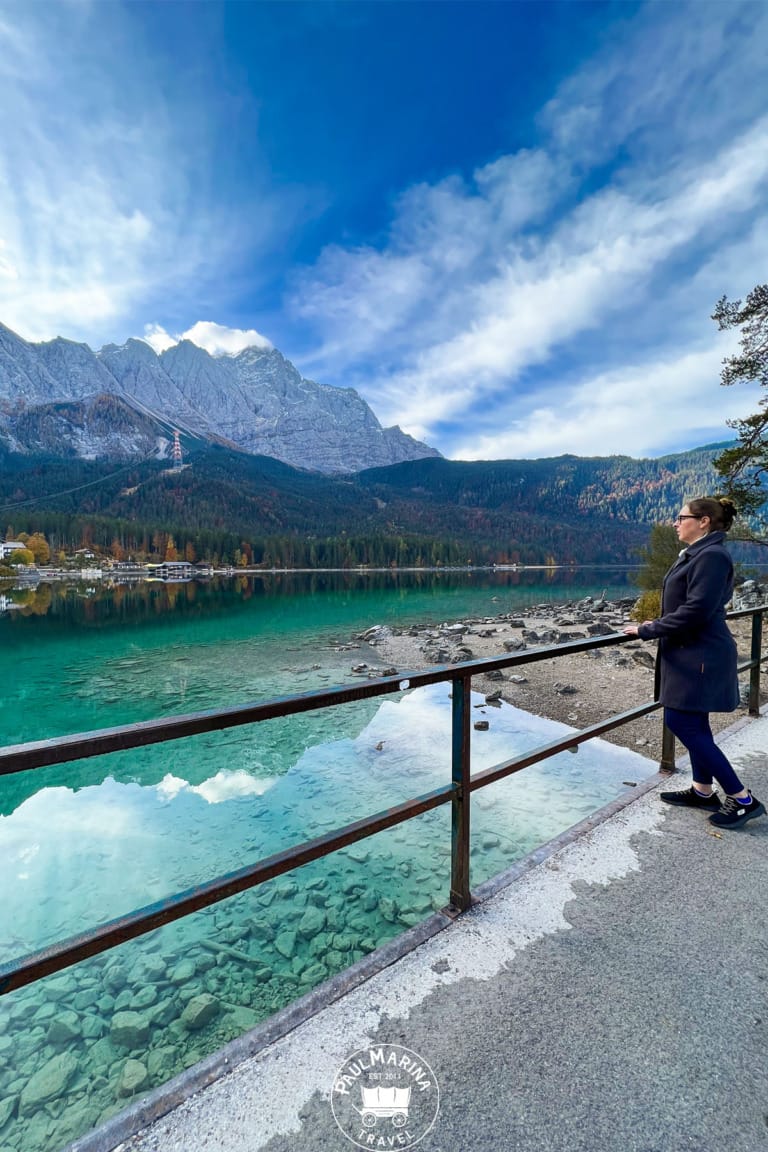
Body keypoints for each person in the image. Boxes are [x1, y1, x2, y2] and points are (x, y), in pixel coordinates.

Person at [623, 496, 765, 829]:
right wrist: (659, 624)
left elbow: (697, 610)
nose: (675, 523)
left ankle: (742, 799)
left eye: (681, 517)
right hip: (691, 651)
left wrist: (648, 629)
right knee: (695, 721)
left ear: (703, 521)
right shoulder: (700, 553)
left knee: (681, 720)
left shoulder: (711, 556)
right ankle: (703, 790)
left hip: (700, 654)